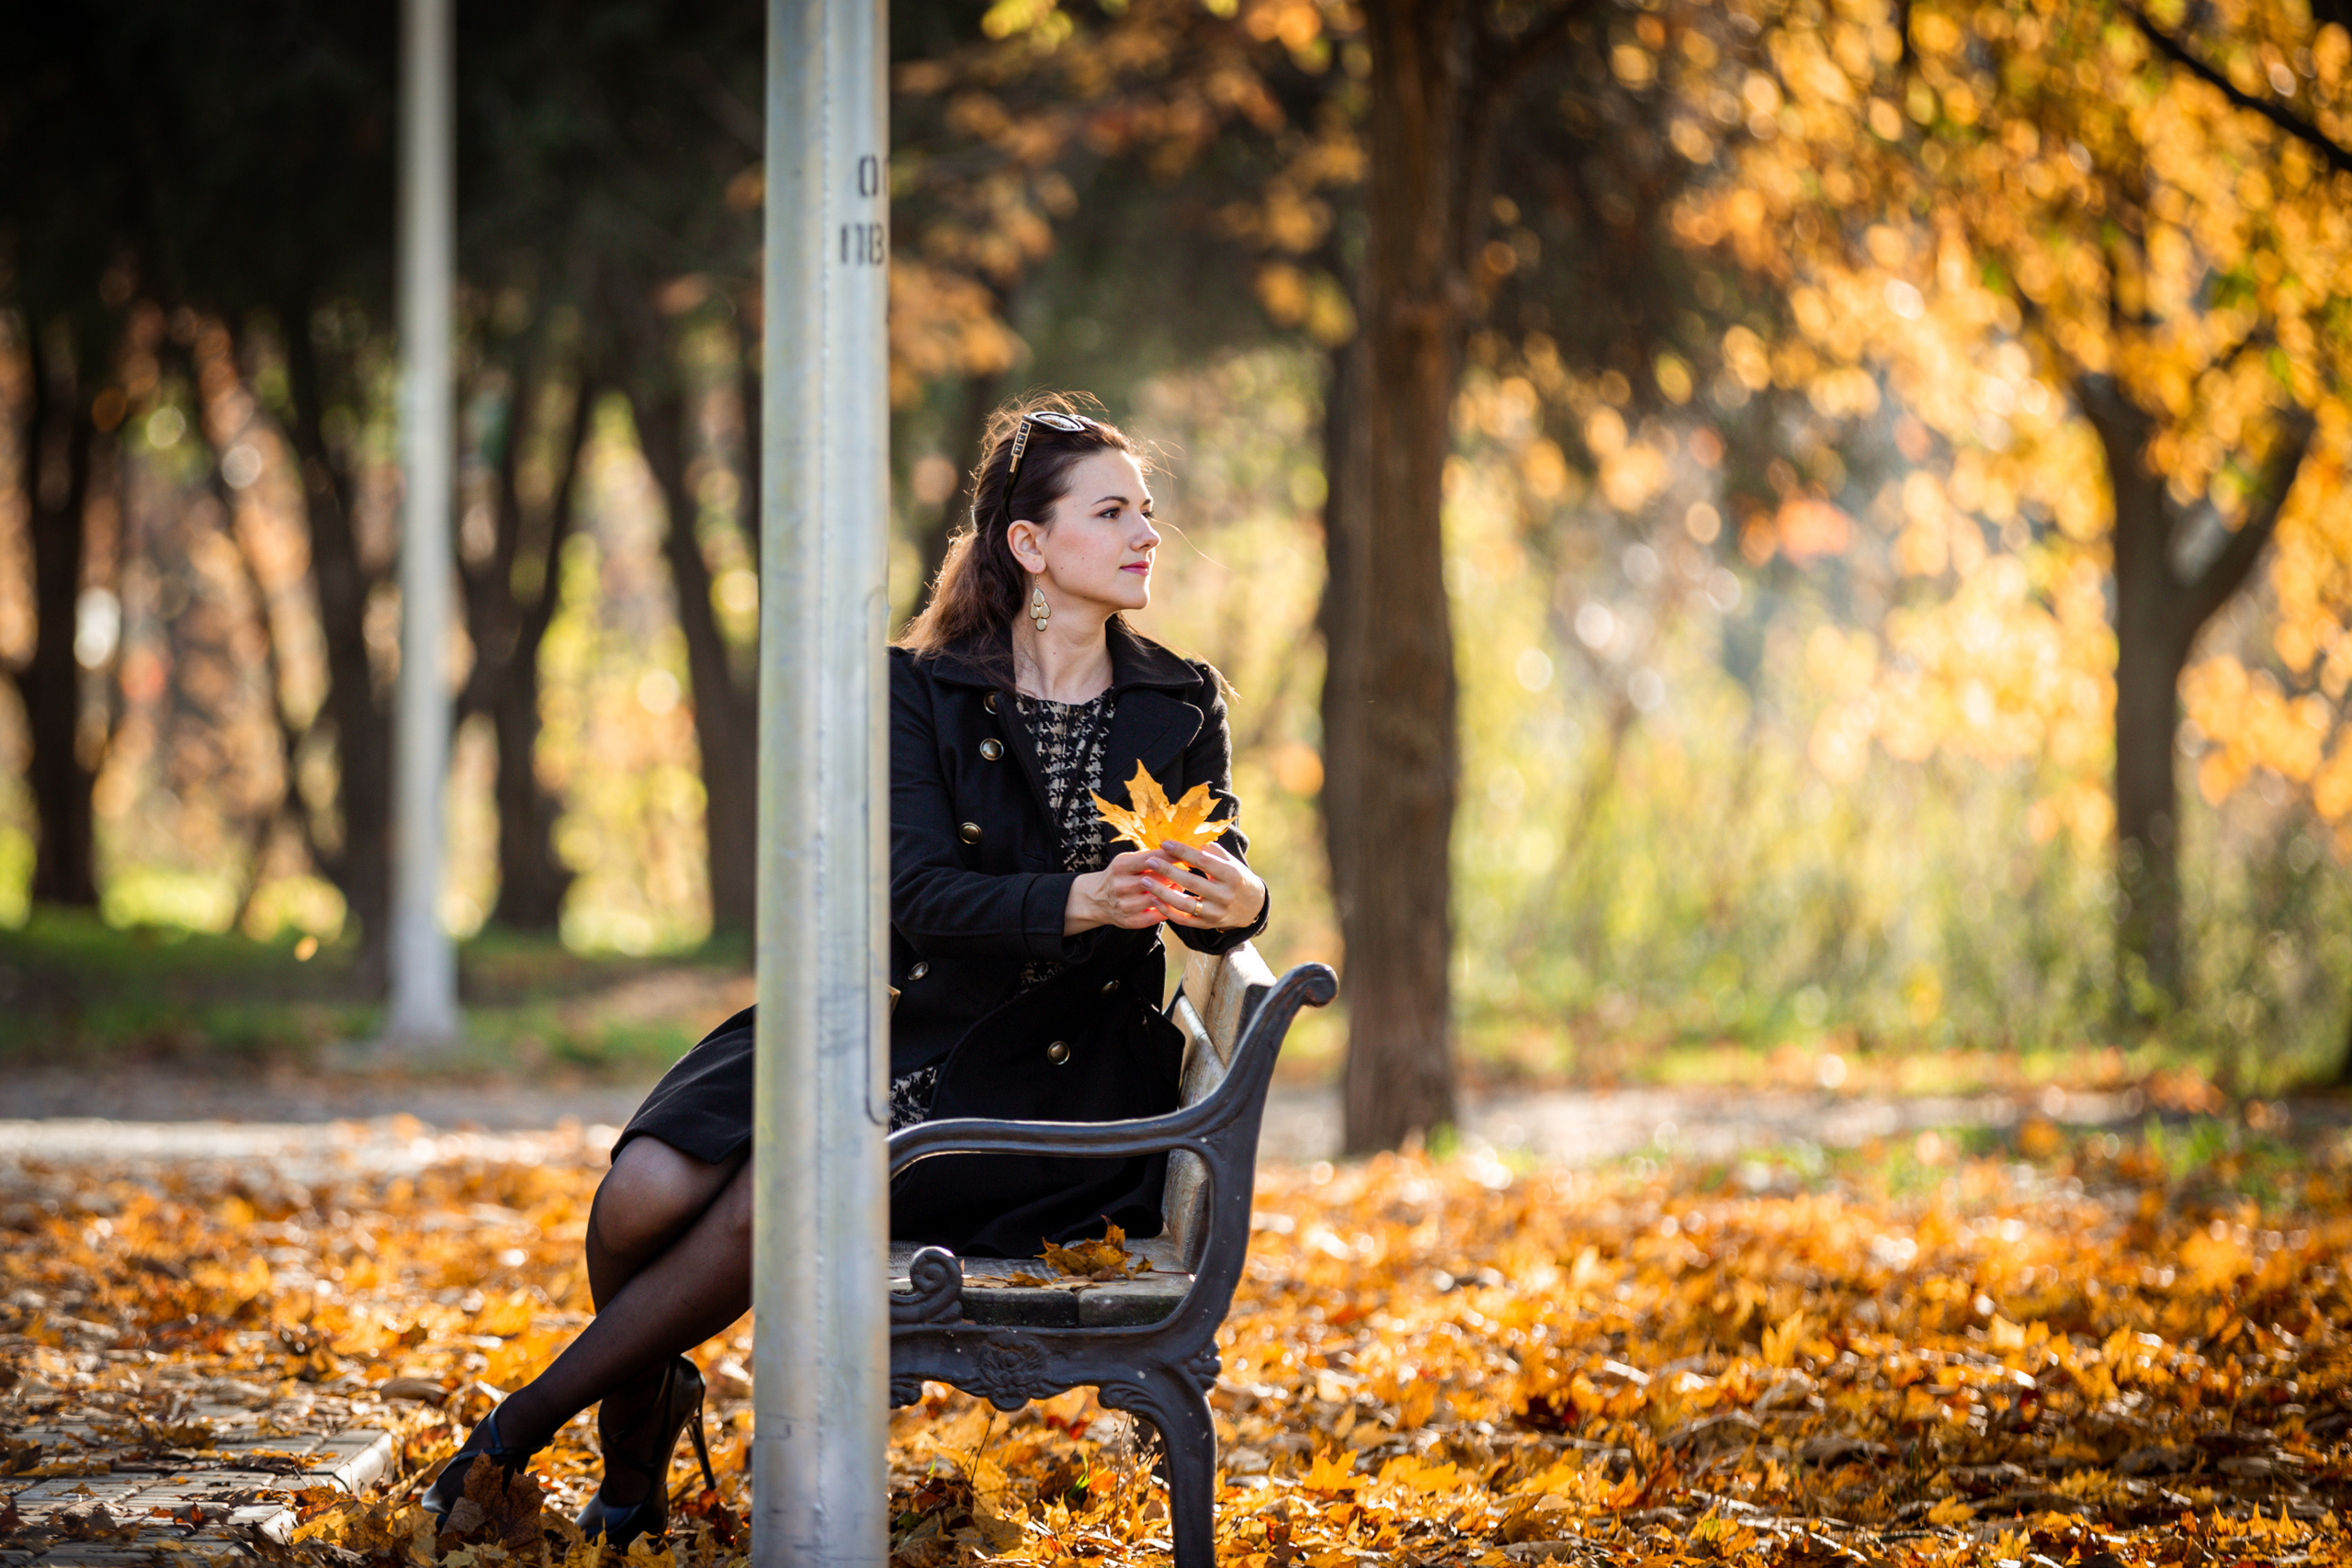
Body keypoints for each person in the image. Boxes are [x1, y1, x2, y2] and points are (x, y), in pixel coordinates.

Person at [422, 396, 1270, 1547]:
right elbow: (912, 896)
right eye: (1113, 511)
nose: (1146, 534)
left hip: (1054, 1091)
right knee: (639, 1197)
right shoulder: (916, 689)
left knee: (785, 1188)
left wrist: (1243, 902)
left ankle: (512, 1438)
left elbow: (1218, 884)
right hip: (889, 1022)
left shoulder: (1179, 701)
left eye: (1148, 512)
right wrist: (1080, 899)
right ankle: (642, 1414)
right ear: (1028, 543)